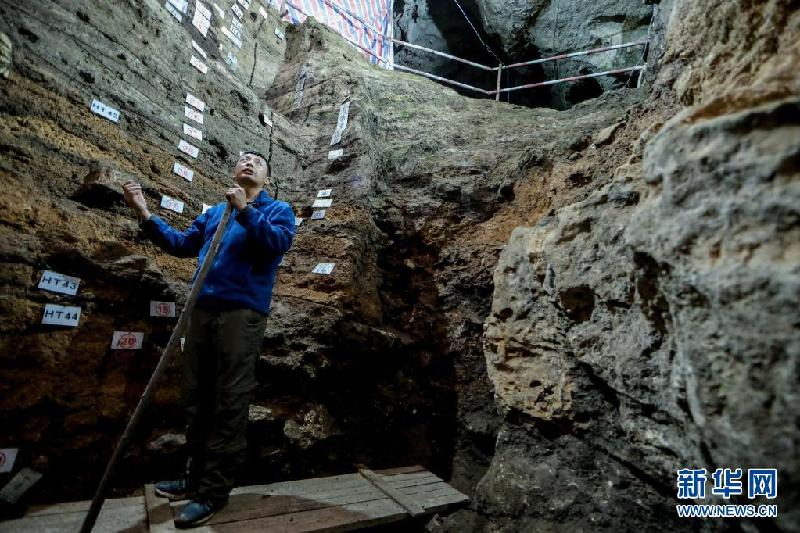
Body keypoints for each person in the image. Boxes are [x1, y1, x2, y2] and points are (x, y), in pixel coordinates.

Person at [122, 150, 295, 528]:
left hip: (241, 313)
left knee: (229, 401)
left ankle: (213, 492)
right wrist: (143, 211)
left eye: (258, 162)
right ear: (234, 170)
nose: (249, 162)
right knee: (195, 397)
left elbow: (276, 245)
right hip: (201, 310)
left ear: (266, 179)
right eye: (244, 159)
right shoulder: (216, 212)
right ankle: (193, 477)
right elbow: (181, 244)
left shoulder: (277, 210)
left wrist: (245, 211)